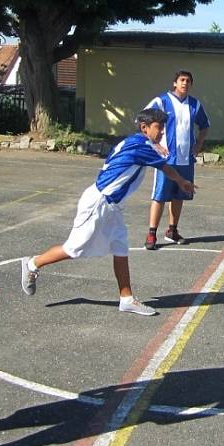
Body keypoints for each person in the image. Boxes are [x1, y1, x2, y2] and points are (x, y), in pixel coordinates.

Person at [21, 108, 195, 316]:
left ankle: (127, 299)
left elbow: (156, 156)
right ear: (144, 127)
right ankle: (32, 264)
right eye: (158, 127)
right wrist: (182, 181)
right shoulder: (142, 147)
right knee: (74, 249)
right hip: (99, 203)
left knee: (120, 248)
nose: (162, 132)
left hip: (112, 206)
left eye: (163, 128)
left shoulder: (137, 142)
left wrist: (157, 146)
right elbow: (166, 168)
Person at [143, 70, 210, 250]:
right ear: (175, 83)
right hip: (166, 159)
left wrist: (198, 145)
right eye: (182, 80)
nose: (185, 83)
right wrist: (154, 144)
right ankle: (151, 233)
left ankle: (172, 231)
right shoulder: (162, 101)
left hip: (186, 160)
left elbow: (205, 126)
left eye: (188, 81)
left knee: (180, 194)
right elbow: (142, 119)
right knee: (160, 197)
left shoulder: (195, 104)